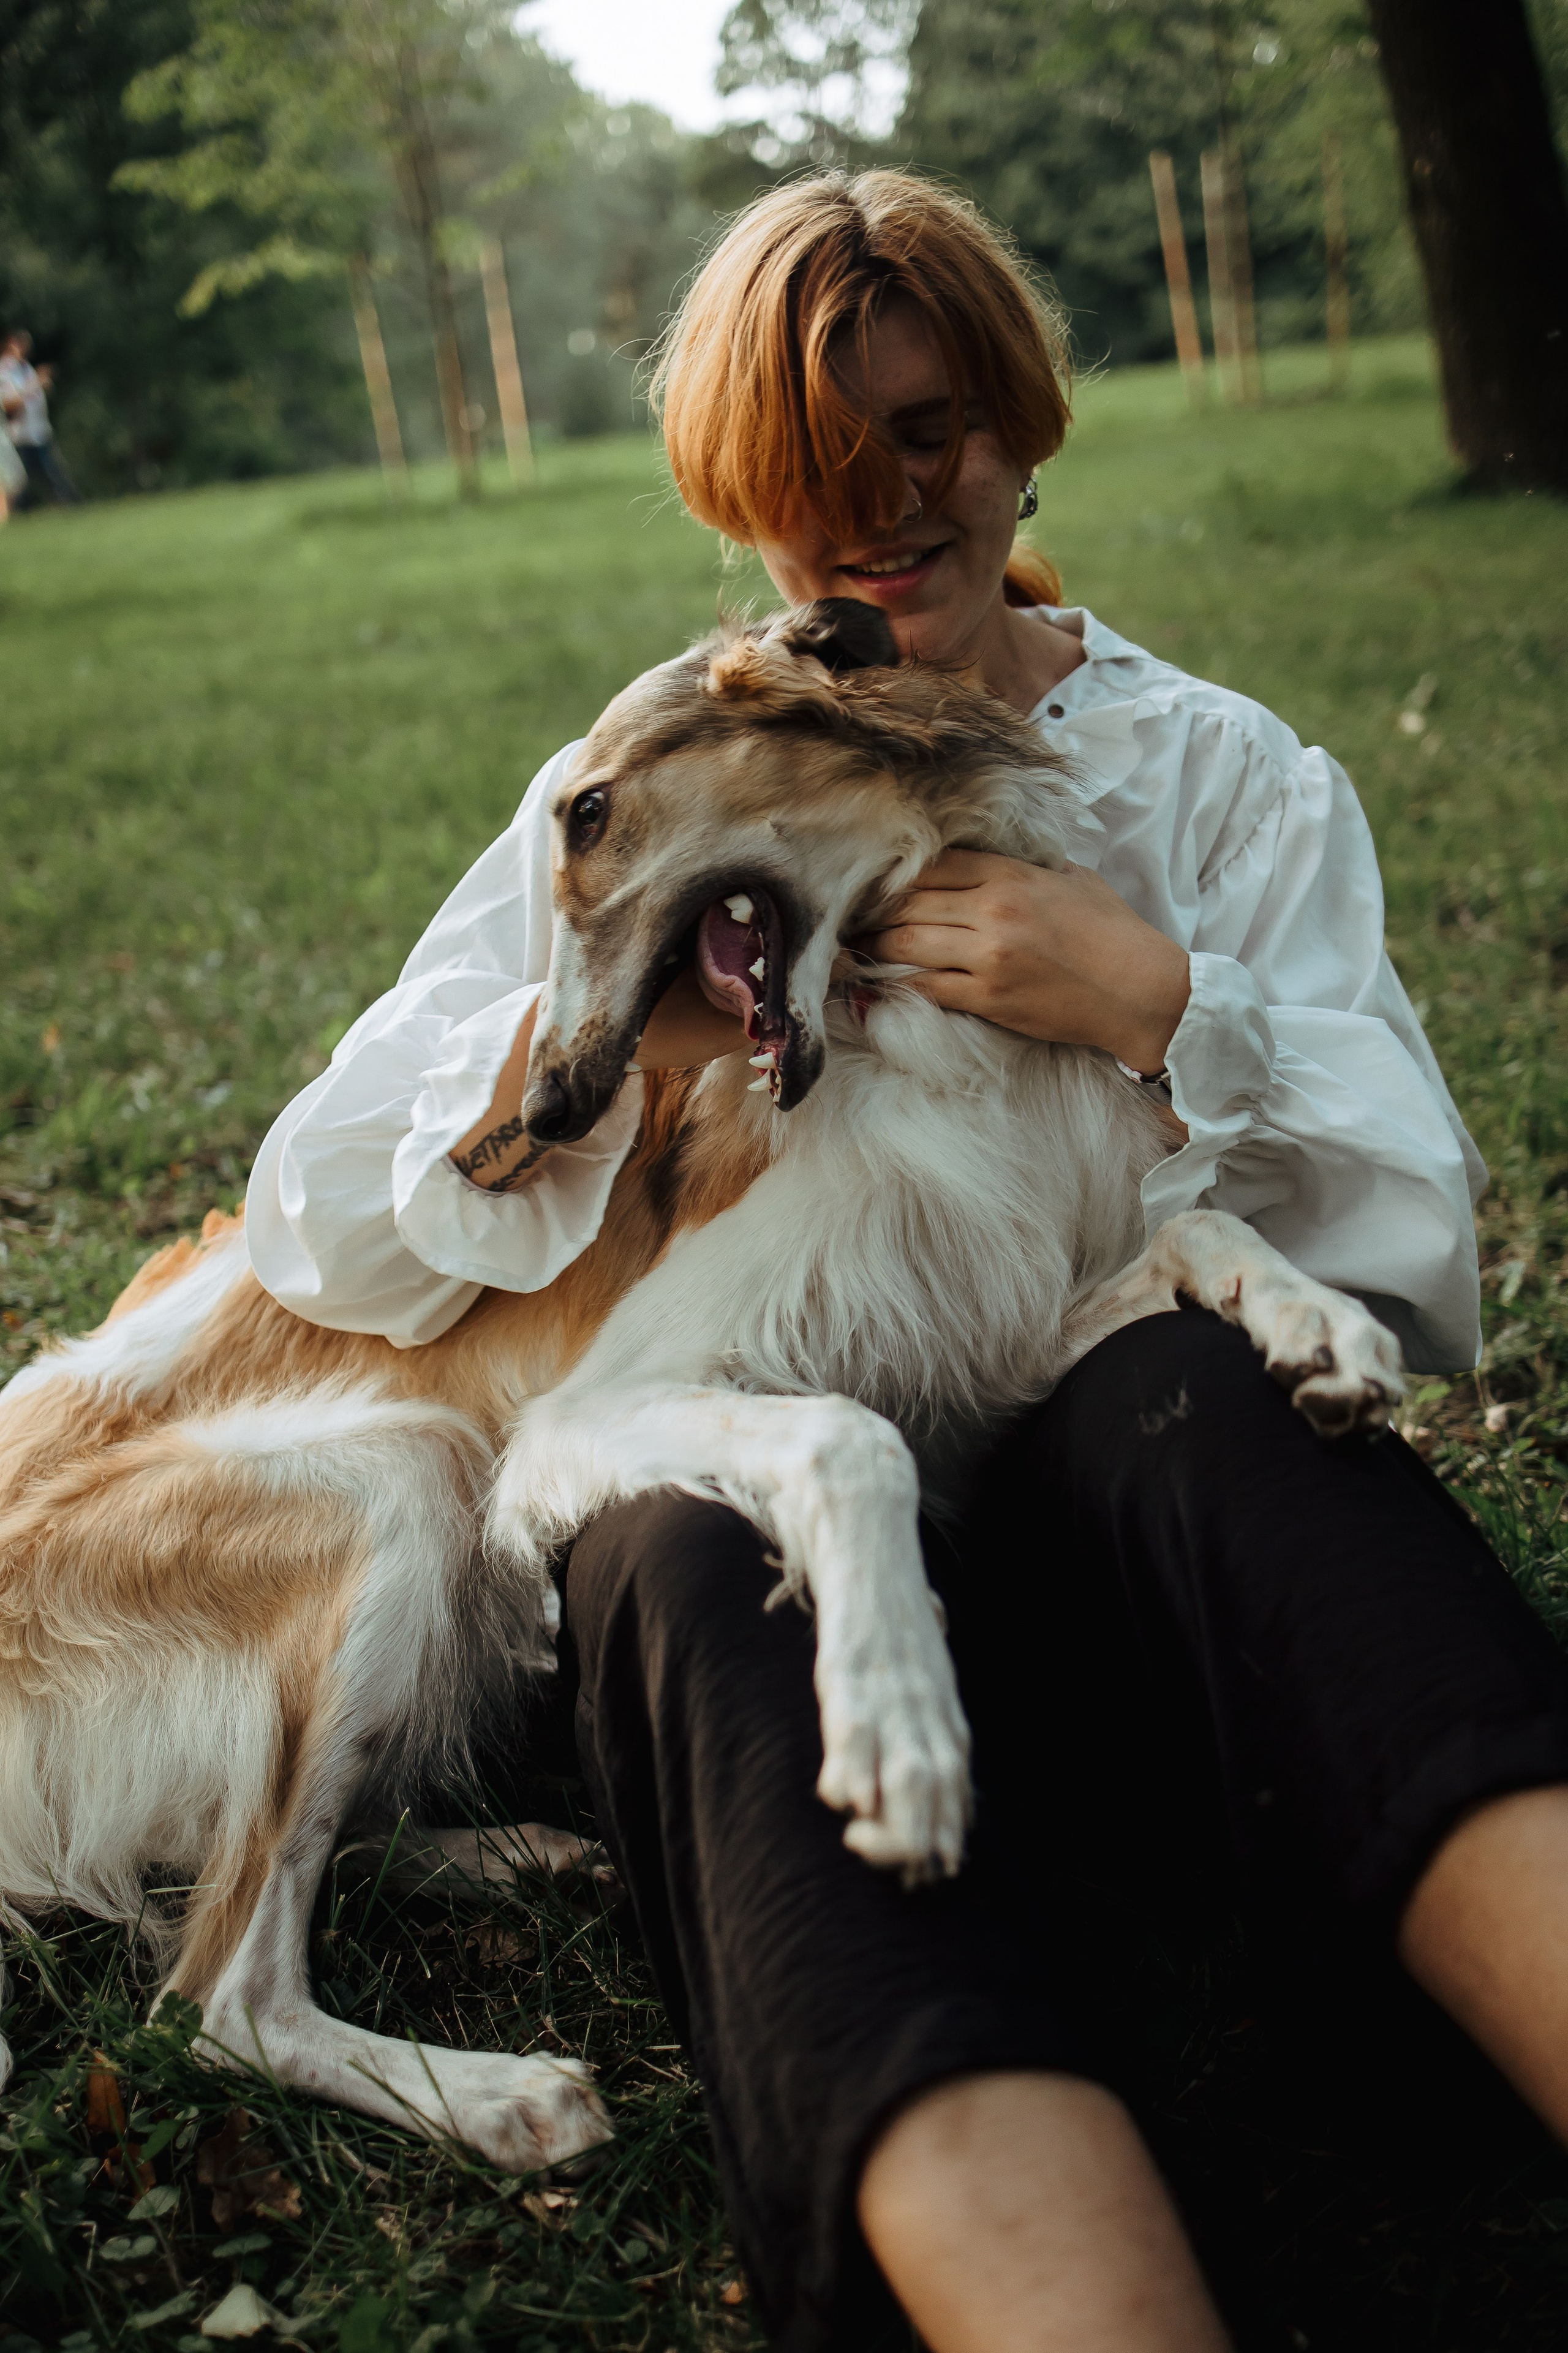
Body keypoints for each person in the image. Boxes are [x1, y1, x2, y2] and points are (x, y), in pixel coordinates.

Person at [246, 173, 1568, 2353]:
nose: (880, 510)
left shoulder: (1204, 778)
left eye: (930, 433)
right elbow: (329, 1199)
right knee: (679, 1523)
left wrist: (1155, 1003)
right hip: (796, 1666)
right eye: (809, 475)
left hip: (1153, 1627)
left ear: (1022, 424)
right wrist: (593, 1056)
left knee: (1199, 1392)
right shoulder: (649, 775)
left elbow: (1403, 1265)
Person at [0, 329, 80, 507]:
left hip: (39, 431)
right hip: (21, 435)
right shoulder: (5, 370)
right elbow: (9, 404)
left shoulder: (25, 368)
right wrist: (37, 383)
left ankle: (68, 505)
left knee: (53, 475)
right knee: (20, 482)